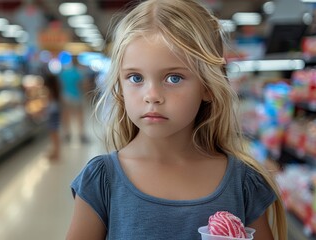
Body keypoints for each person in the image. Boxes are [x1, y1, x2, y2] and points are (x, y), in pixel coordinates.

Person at [66, 0, 287, 240]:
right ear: (119, 85)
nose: (152, 96)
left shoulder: (244, 183)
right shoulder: (101, 181)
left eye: (173, 78)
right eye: (135, 77)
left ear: (208, 87)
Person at [58, 55, 90, 143]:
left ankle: (67, 135)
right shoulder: (79, 73)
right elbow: (84, 85)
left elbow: (61, 85)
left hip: (66, 96)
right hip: (77, 96)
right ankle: (81, 135)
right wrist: (86, 96)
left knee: (66, 116)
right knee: (80, 116)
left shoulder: (65, 73)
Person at [43, 73, 61, 160]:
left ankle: (56, 153)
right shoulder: (57, 90)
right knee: (55, 134)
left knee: (53, 134)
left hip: (52, 114)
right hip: (56, 113)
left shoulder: (49, 92)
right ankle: (56, 152)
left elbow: (47, 104)